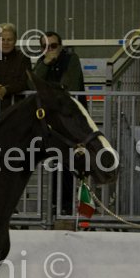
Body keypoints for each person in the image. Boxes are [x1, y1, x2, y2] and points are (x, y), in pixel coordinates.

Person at [33, 31, 85, 217]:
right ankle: (55, 204)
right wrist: (46, 63)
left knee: (68, 162)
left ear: (61, 46)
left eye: (53, 46)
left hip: (70, 120)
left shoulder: (71, 59)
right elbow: (33, 84)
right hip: (51, 122)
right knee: (55, 161)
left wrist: (50, 92)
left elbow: (69, 86)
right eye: (45, 47)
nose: (50, 50)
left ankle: (68, 205)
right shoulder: (42, 63)